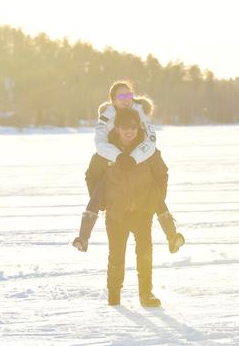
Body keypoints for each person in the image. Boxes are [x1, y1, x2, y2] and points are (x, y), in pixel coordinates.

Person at [73, 81, 184, 254]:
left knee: (153, 191)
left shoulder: (140, 112)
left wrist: (133, 158)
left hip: (138, 157)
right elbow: (100, 143)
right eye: (121, 96)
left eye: (129, 95)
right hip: (113, 162)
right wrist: (118, 156)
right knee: (100, 190)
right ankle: (83, 237)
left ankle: (172, 237)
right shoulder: (106, 116)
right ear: (113, 100)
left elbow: (151, 141)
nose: (126, 99)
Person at [84, 108, 168, 306]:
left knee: (145, 253)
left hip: (142, 212)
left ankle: (146, 295)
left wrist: (155, 199)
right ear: (118, 129)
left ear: (138, 128)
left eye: (133, 127)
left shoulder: (148, 151)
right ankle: (114, 297)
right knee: (116, 255)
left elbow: (162, 175)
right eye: (124, 127)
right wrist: (103, 202)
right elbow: (91, 176)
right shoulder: (106, 152)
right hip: (116, 213)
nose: (129, 131)